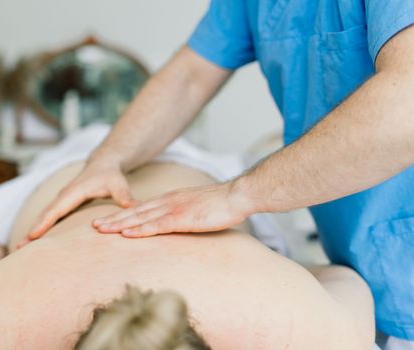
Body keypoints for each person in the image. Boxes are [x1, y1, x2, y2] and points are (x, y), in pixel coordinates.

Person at [26, 2, 414, 348]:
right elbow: (191, 75)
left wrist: (236, 196)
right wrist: (108, 159)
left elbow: (406, 106)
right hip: (361, 269)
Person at [0, 154, 374, 349]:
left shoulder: (307, 327)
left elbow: (341, 284)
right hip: (77, 175)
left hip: (89, 177)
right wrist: (288, 265)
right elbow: (345, 280)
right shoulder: (302, 330)